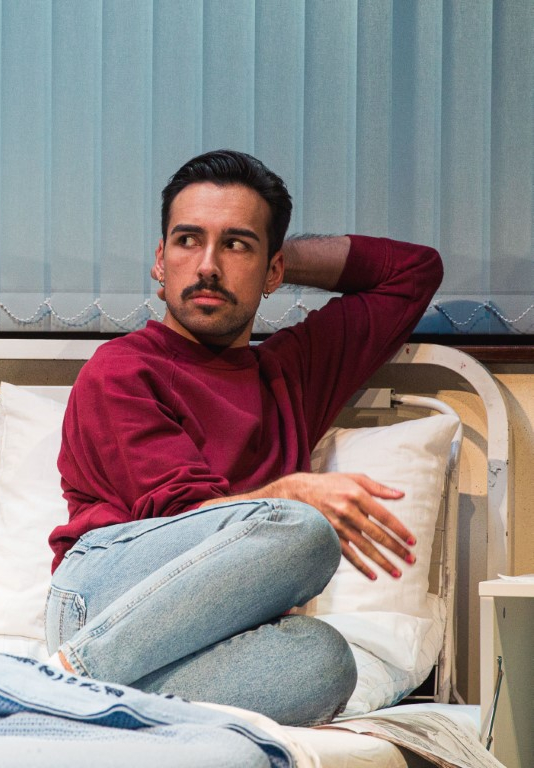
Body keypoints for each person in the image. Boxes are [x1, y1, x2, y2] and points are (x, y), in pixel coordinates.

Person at [44, 149, 443, 727]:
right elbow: (180, 523)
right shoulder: (123, 368)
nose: (206, 266)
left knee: (328, 663)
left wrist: (271, 246)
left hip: (213, 632)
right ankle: (66, 676)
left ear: (274, 272)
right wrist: (291, 497)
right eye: (186, 241)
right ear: (160, 261)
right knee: (303, 531)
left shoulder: (291, 372)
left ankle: (89, 707)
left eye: (234, 246)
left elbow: (414, 271)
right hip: (102, 596)